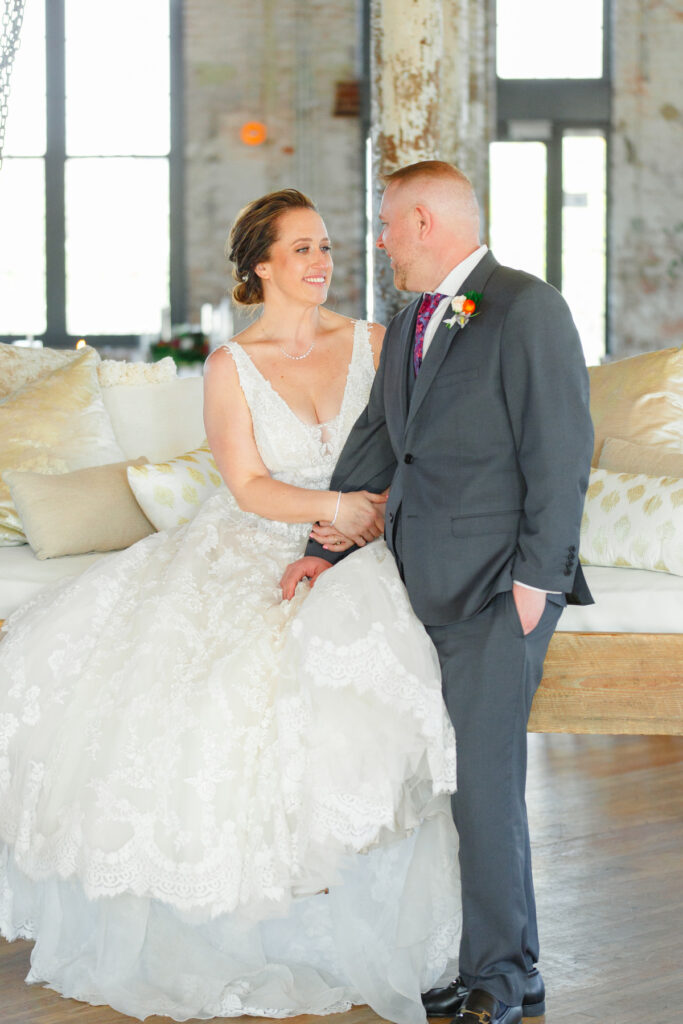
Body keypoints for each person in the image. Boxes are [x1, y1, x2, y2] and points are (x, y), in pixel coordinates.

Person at [0, 188, 460, 1023]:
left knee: (351, 666)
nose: (322, 263)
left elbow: (411, 446)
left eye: (326, 247)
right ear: (261, 266)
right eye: (302, 250)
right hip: (263, 537)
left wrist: (367, 517)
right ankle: (228, 920)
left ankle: (357, 913)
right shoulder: (231, 365)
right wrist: (329, 513)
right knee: (194, 690)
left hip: (368, 539)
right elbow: (247, 486)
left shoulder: (376, 341)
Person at [282, 161, 594, 1024]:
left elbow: (561, 448)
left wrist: (537, 582)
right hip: (417, 578)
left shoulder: (526, 306)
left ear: (424, 222)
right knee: (448, 782)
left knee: (485, 787)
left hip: (500, 588)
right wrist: (323, 546)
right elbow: (381, 440)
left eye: (385, 225)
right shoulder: (413, 316)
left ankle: (502, 978)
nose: (377, 243)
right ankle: (494, 964)